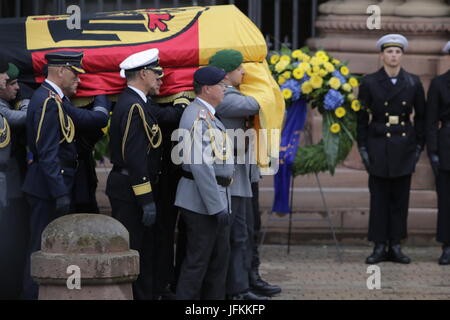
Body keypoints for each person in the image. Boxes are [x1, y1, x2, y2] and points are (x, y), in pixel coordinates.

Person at [22, 51, 111, 299]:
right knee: (41, 249)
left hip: (51, 183)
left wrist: (101, 100)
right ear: (61, 71)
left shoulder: (56, 100)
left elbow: (86, 122)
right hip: (47, 187)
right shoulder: (49, 102)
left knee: (51, 247)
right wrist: (60, 192)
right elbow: (47, 152)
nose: (79, 80)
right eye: (75, 73)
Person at [208, 49, 274, 300]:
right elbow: (259, 103)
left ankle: (243, 284)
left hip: (241, 176)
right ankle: (237, 291)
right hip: (231, 178)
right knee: (237, 234)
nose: (245, 72)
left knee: (244, 232)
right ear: (226, 74)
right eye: (240, 69)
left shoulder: (233, 93)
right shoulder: (227, 98)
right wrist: (264, 81)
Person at [357, 34, 426, 264]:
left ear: (402, 55)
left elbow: (422, 119)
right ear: (382, 55)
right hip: (378, 144)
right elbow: (361, 119)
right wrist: (364, 149)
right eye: (389, 51)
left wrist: (417, 148)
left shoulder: (413, 82)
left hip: (404, 146)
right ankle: (378, 245)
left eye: (397, 52)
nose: (393, 56)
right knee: (378, 199)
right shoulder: (368, 82)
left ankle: (395, 244)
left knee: (400, 199)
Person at [106, 48, 163, 300]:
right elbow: (135, 157)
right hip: (130, 189)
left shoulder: (137, 102)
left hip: (131, 187)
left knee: (143, 249)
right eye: (155, 73)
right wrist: (146, 198)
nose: (159, 78)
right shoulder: (133, 107)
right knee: (134, 250)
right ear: (143, 73)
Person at [175, 66, 234, 300]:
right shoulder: (196, 115)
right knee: (198, 263)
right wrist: (216, 206)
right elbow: (201, 166)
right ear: (207, 89)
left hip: (212, 197)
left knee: (217, 262)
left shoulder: (207, 114)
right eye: (222, 85)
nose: (226, 89)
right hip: (202, 202)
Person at [0, 63, 31, 299]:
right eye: (10, 82)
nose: (16, 87)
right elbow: (15, 118)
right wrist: (33, 104)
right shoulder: (3, 110)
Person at [426, 41, 450, 265]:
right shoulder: (439, 84)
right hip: (447, 147)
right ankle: (447, 245)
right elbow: (431, 121)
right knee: (446, 202)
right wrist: (433, 152)